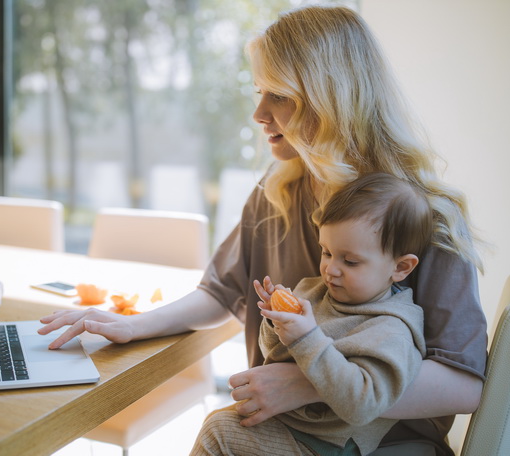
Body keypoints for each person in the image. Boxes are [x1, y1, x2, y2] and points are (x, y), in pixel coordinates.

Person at [38, 5, 487, 455]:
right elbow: (221, 293)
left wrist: (310, 383)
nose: (258, 113)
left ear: (330, 99)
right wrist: (135, 325)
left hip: (386, 445)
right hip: (282, 432)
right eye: (259, 91)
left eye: (279, 95)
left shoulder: (427, 216)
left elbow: (463, 383)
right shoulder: (277, 193)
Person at [190, 172, 431, 456]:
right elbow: (276, 356)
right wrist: (277, 322)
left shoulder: (392, 329)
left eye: (350, 261)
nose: (331, 269)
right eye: (326, 252)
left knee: (219, 433)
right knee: (218, 421)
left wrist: (307, 338)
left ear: (401, 268)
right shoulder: (315, 291)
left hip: (327, 445)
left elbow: (363, 405)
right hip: (289, 424)